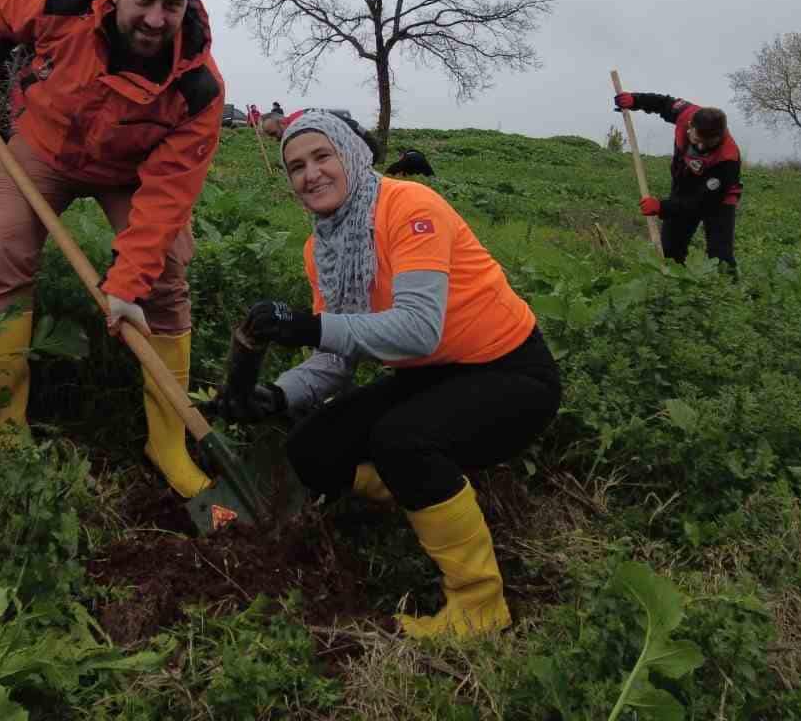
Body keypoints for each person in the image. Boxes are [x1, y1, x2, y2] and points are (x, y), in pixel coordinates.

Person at [216, 110, 560, 638]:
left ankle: (479, 604)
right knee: (310, 445)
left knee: (401, 439)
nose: (311, 174)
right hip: (432, 376)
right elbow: (333, 363)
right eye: (296, 166)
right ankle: (425, 493)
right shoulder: (322, 249)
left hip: (510, 372)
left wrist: (308, 327)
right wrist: (275, 397)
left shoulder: (410, 207)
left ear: (351, 154)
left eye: (322, 157)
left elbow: (418, 330)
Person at [0, 0, 224, 498]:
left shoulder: (197, 86)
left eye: (171, 4)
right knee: (4, 238)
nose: (154, 18)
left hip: (131, 170)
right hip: (44, 146)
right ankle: (5, 426)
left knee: (165, 274)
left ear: (186, 3)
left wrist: (127, 283)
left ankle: (167, 442)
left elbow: (168, 194)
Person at [613, 91, 742, 270]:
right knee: (671, 250)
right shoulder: (686, 114)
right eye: (697, 139)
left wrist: (663, 207)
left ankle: (730, 293)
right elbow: (662, 103)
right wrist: (635, 100)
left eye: (708, 143)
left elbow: (701, 203)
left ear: (720, 136)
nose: (701, 147)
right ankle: (676, 286)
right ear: (690, 126)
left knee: (720, 255)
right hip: (685, 184)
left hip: (718, 199)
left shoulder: (728, 159)